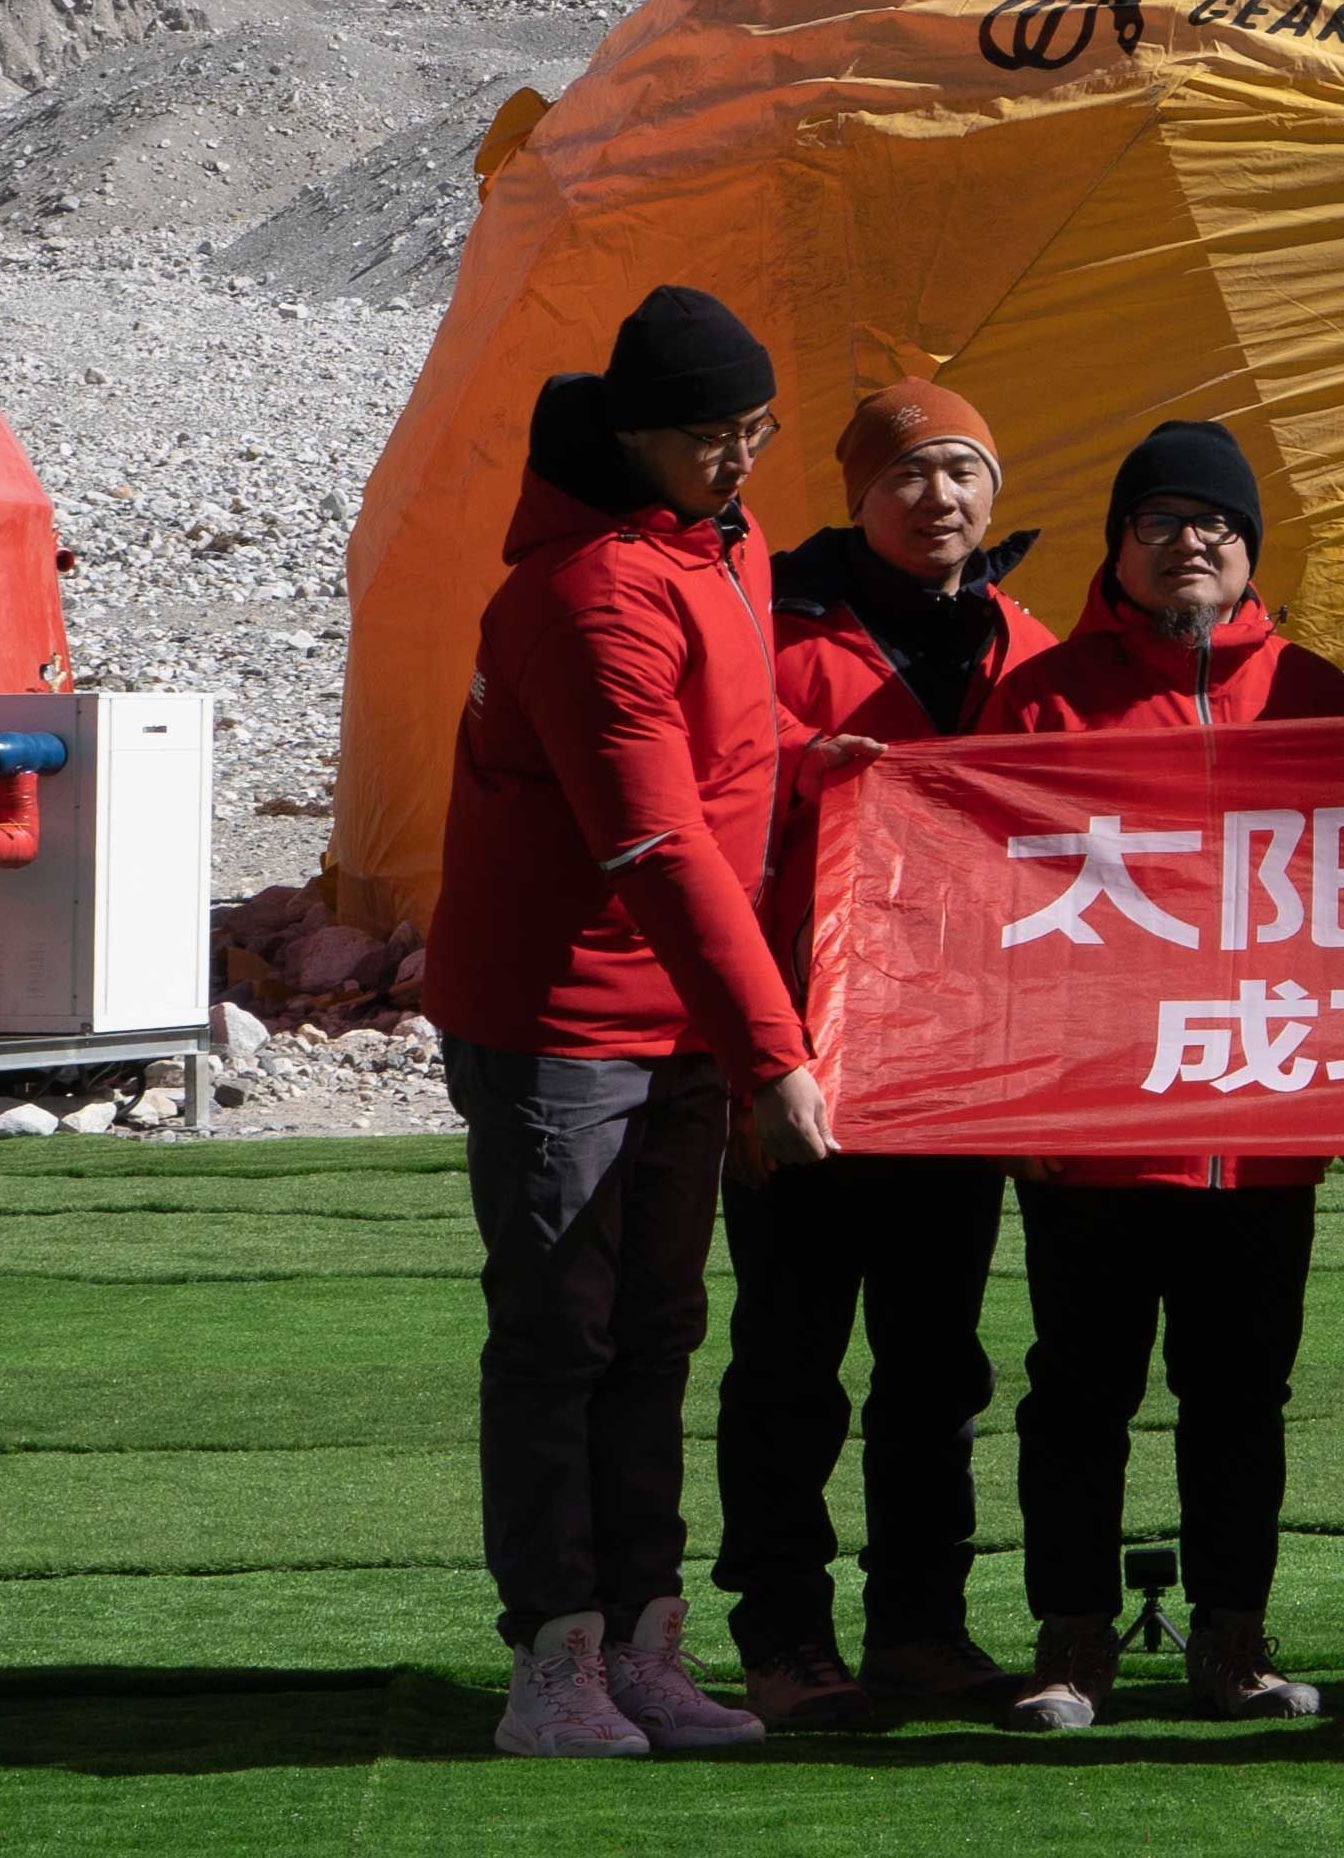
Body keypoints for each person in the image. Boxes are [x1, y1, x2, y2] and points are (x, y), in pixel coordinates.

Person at [421, 284, 831, 1761]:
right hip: (565, 1021)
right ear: (635, 434)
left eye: (757, 428)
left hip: (674, 1015)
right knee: (562, 1334)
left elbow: (722, 746)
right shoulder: (591, 592)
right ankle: (554, 1657)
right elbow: (655, 839)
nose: (742, 458)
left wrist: (825, 754)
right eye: (712, 435)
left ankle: (643, 1640)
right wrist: (773, 1050)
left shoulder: (723, 544)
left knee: (655, 1329)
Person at [971, 420, 1344, 1732]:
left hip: (1262, 1113)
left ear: (1250, 548)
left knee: (1243, 1395)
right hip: (1091, 1122)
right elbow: (986, 902)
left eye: (1216, 521)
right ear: (1119, 544)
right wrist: (1013, 1094)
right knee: (1078, 1393)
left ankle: (1232, 1641)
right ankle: (1073, 1643)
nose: (1190, 540)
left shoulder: (1317, 696)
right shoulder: (1042, 698)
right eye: (1160, 520)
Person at [712, 378, 1049, 1727]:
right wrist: (747, 1058)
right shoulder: (772, 628)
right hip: (803, 1054)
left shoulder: (1027, 644)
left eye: (964, 470)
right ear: (857, 493)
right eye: (908, 472)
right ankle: (784, 1636)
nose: (939, 497)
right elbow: (711, 791)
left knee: (936, 1363)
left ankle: (921, 1626)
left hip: (956, 1060)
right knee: (789, 1362)